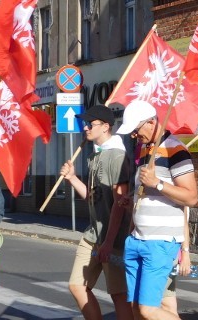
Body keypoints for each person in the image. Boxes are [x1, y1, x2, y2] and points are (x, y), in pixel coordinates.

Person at [116, 100, 197, 320]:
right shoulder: (145, 150)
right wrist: (131, 200)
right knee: (136, 308)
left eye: (136, 130)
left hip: (160, 241)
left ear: (152, 122)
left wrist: (158, 184)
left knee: (148, 309)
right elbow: (149, 193)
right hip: (136, 239)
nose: (134, 136)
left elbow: (191, 197)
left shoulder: (176, 149)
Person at [59, 105, 132, 320]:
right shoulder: (94, 156)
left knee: (119, 294)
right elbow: (93, 196)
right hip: (93, 235)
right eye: (85, 124)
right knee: (77, 285)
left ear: (106, 127)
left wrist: (109, 242)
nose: (85, 128)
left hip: (114, 237)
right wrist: (72, 178)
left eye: (90, 124)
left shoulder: (117, 157)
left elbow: (119, 203)